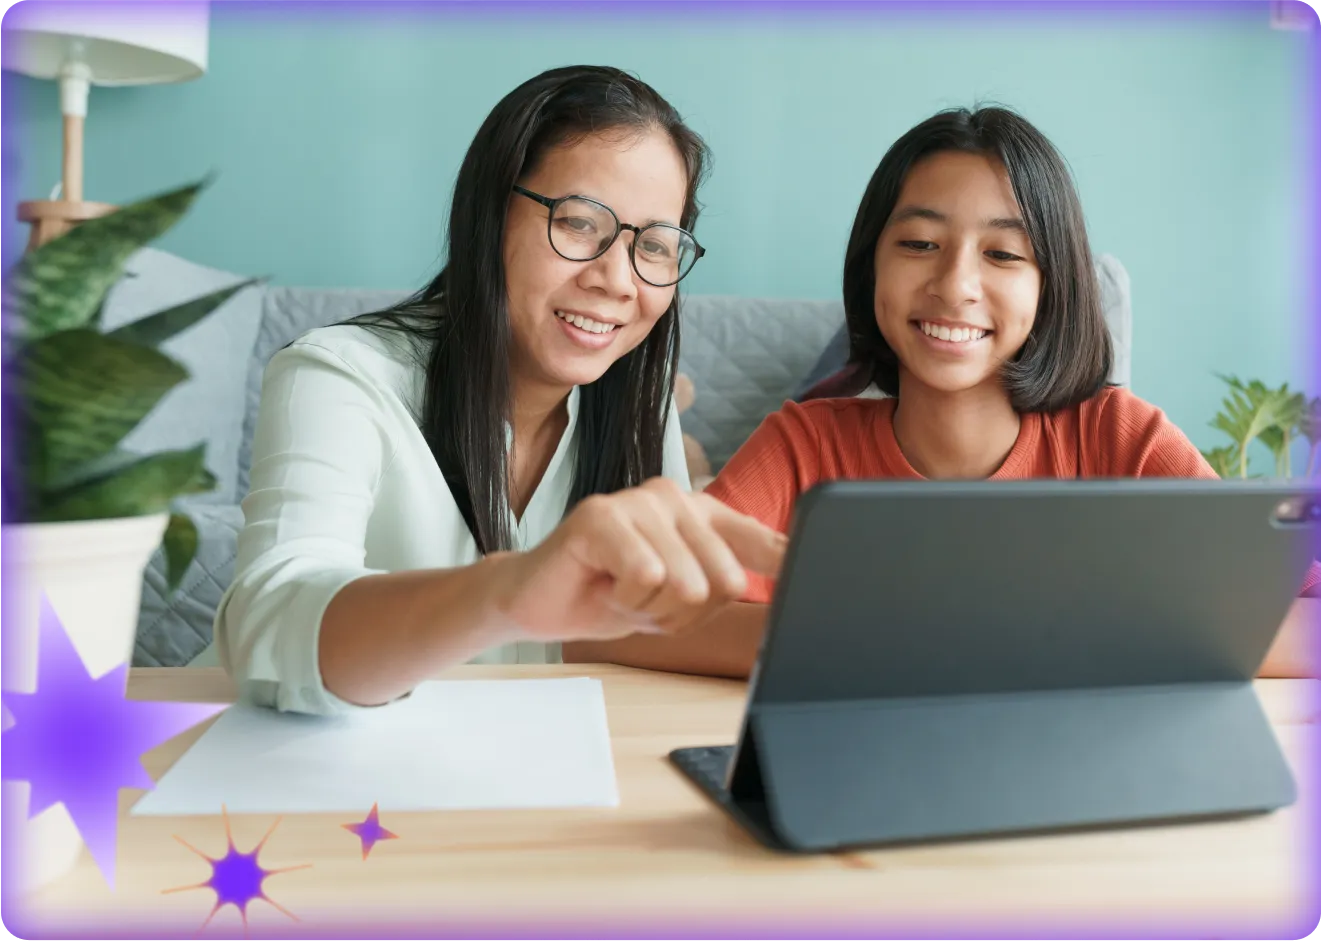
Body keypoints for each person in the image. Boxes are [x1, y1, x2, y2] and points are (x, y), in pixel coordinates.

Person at [563, 105, 1319, 679]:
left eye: (1003, 253)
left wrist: (1055, 644)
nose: (955, 284)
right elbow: (611, 622)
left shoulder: (1118, 437)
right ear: (870, 268)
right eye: (919, 243)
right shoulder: (804, 443)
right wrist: (870, 641)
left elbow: (1287, 610)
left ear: (1050, 286)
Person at [214, 65, 787, 715]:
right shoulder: (337, 374)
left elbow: (632, 622)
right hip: (281, 778)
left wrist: (862, 641)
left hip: (507, 769)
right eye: (578, 222)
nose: (617, 279)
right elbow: (267, 629)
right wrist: (507, 592)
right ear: (488, 215)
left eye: (655, 246)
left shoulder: (635, 397)